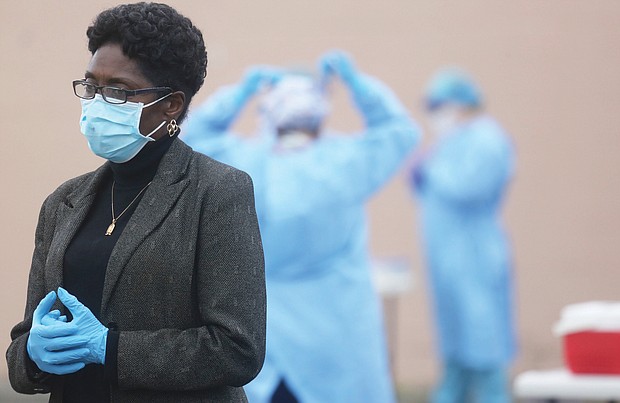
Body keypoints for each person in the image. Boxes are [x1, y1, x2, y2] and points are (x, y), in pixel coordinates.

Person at [6, 3, 266, 402]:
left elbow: (237, 349)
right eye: (91, 85)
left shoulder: (217, 191)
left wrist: (111, 349)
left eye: (118, 90)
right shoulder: (63, 201)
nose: (96, 101)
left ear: (171, 105)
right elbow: (24, 352)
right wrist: (31, 354)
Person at [181, 51, 420, 403]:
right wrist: (356, 83)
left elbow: (190, 136)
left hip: (262, 334)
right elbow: (400, 131)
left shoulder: (242, 165)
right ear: (319, 113)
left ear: (271, 112)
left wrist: (242, 92)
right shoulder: (345, 162)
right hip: (337, 338)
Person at [410, 68, 516, 403]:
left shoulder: (487, 139)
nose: (435, 113)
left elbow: (468, 186)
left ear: (462, 103)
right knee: (456, 346)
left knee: (483, 344)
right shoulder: (453, 141)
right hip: (449, 258)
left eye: (439, 105)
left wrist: (430, 169)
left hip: (476, 256)